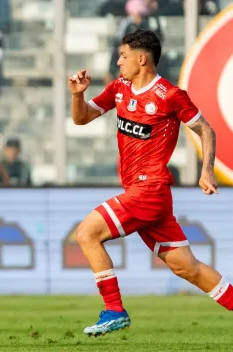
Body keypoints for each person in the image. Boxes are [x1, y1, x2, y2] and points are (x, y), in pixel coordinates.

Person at [68, 29, 232, 337]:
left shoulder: (169, 95)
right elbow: (82, 118)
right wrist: (78, 95)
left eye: (124, 56)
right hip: (142, 193)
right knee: (188, 268)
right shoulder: (119, 89)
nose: (118, 62)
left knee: (87, 232)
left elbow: (206, 130)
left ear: (141, 59)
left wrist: (206, 170)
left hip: (150, 190)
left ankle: (114, 310)